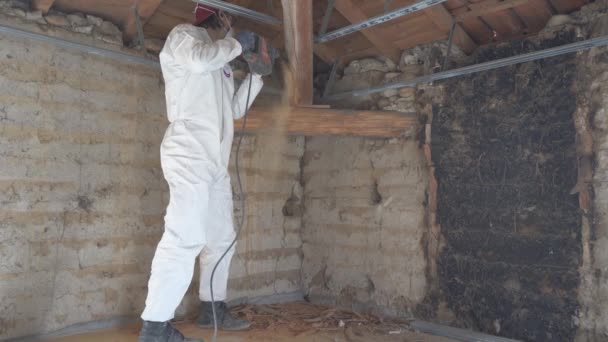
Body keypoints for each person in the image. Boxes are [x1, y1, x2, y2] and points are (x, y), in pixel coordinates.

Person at [138, 4, 263, 342]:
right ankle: (155, 328)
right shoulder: (184, 37)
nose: (231, 26)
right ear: (220, 17)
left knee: (222, 238)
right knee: (185, 237)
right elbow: (198, 61)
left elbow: (234, 110)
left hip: (215, 162)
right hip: (189, 151)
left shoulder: (219, 62)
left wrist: (257, 75)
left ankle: (211, 308)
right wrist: (238, 45)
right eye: (229, 19)